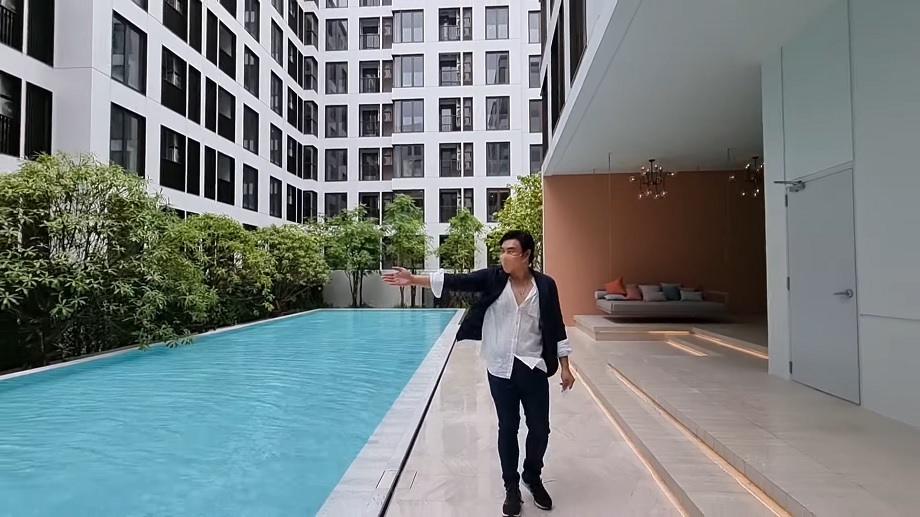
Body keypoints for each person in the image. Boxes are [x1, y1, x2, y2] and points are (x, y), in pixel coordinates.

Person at [382, 230, 575, 517]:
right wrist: (414, 279)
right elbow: (457, 281)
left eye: (510, 251)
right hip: (500, 368)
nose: (504, 256)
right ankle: (511, 486)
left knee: (540, 429)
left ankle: (532, 476)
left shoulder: (545, 286)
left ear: (526, 255)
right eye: (502, 251)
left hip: (533, 367)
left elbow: (556, 325)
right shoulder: (493, 278)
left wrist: (565, 366)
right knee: (508, 427)